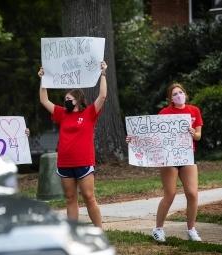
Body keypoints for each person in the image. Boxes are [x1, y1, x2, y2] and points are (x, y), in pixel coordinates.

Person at [126, 83, 203, 242]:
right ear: (171, 99)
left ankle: (191, 229)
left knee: (192, 193)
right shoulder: (164, 113)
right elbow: (152, 135)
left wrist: (193, 132)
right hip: (168, 158)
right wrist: (133, 139)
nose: (178, 96)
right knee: (170, 194)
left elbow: (198, 136)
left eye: (180, 92)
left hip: (187, 155)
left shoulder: (194, 110)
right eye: (175, 94)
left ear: (185, 94)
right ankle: (158, 229)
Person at [38, 61, 108, 228]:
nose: (66, 101)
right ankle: (73, 232)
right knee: (71, 198)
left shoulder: (89, 113)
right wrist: (43, 80)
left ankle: (99, 230)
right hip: (65, 163)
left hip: (84, 162)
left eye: (69, 99)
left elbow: (103, 96)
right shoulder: (62, 113)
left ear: (77, 100)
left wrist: (103, 74)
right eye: (65, 99)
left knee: (89, 196)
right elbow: (44, 100)